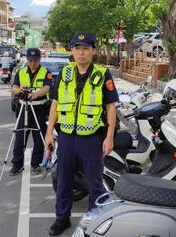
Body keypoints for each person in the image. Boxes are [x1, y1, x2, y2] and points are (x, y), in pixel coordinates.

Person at [44, 31, 119, 236]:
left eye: (86, 48)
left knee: (95, 183)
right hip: (67, 138)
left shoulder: (103, 74)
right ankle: (62, 219)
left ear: (93, 51)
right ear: (72, 51)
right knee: (64, 181)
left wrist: (109, 136)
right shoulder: (64, 74)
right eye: (77, 48)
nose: (81, 52)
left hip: (92, 139)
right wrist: (49, 133)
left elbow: (111, 106)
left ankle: (95, 221)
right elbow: (55, 105)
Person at [9, 48, 53, 176]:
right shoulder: (21, 72)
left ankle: (35, 164)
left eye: (35, 60)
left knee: (39, 139)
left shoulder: (46, 72)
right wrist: (20, 90)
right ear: (27, 59)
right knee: (19, 138)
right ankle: (17, 164)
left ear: (39, 59)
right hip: (24, 108)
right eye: (30, 60)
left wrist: (35, 94)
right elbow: (14, 88)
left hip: (39, 108)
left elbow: (47, 87)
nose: (32, 62)